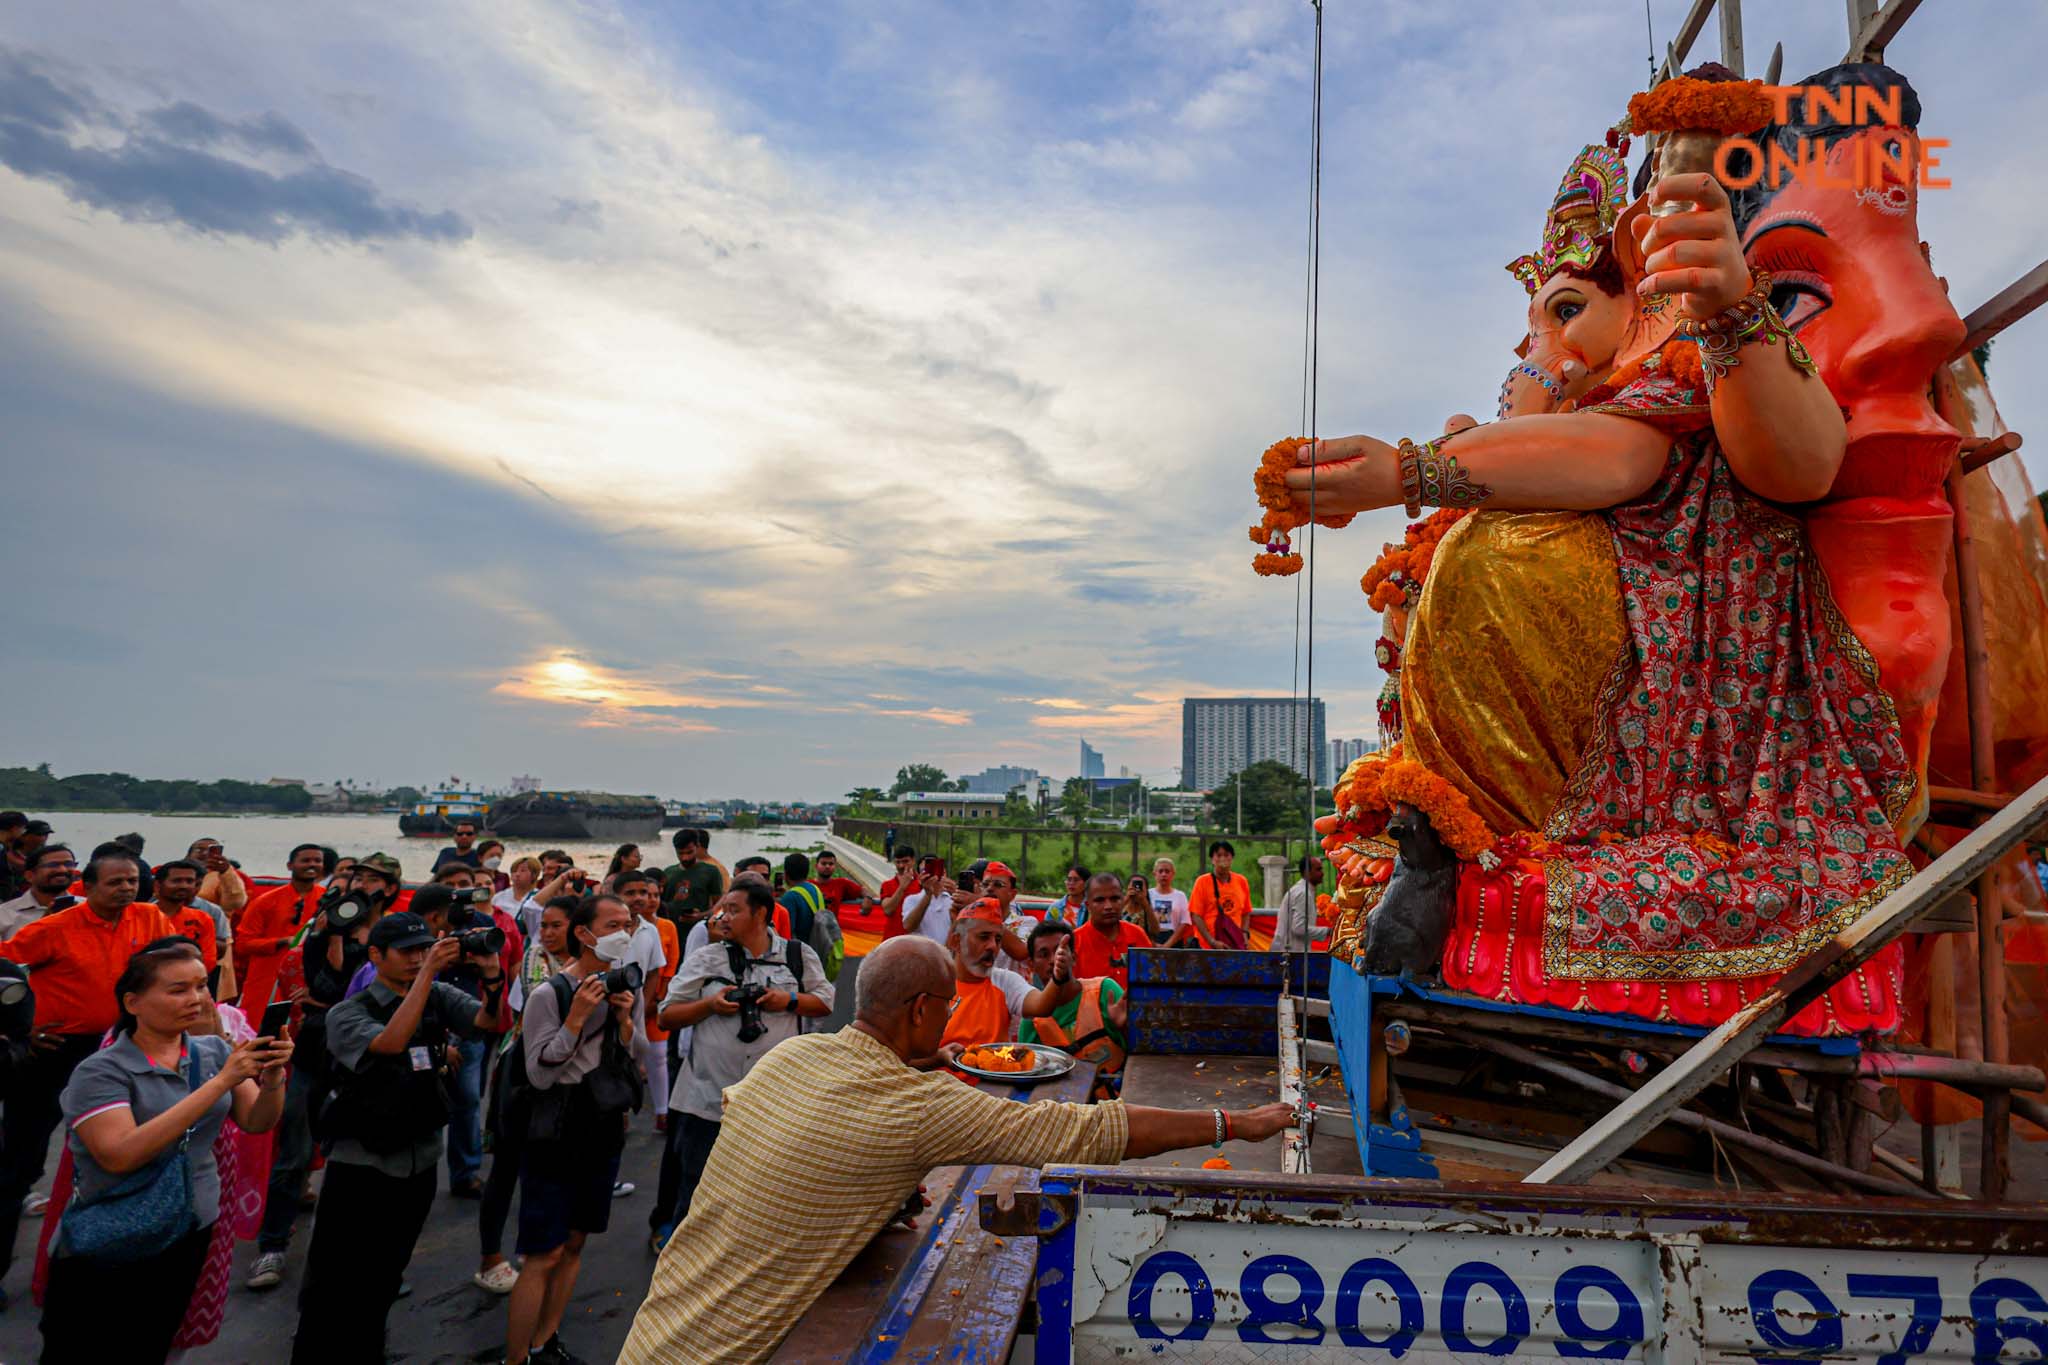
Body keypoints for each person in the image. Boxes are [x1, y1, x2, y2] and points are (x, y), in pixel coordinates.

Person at [620, 935, 1295, 1362]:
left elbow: (788, 1138)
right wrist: (1237, 1123)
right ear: (919, 1010)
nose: (948, 1017)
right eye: (943, 1006)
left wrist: (866, 1183)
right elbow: (1092, 1131)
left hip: (652, 1337)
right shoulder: (922, 1107)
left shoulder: (788, 1057)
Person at [41, 937, 293, 1361]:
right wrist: (221, 1082)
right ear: (133, 1002)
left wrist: (271, 1078)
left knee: (152, 1341)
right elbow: (118, 1153)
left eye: (200, 986)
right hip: (115, 1234)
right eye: (177, 990)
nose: (195, 999)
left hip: (190, 1226)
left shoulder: (213, 1051)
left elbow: (257, 1121)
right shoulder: (101, 1070)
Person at [290, 912, 509, 1364]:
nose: (416, 959)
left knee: (386, 1275)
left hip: (420, 1156)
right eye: (407, 951)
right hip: (362, 1163)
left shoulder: (437, 995)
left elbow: (491, 1024)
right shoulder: (348, 1013)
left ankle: (368, 1351)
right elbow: (391, 1042)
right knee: (333, 1282)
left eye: (423, 949)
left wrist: (492, 977)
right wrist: (429, 973)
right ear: (375, 956)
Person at [0, 851, 178, 1287]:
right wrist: (22, 1031)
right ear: (88, 886)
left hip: (123, 1049)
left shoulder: (151, 921)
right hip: (56, 1052)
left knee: (128, 1156)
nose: (125, 888)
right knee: (19, 1162)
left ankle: (112, 1260)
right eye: (114, 881)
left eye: (132, 881)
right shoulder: (52, 929)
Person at [501, 894, 644, 1365]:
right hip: (557, 1131)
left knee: (577, 1242)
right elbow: (540, 1073)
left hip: (601, 1128)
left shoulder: (624, 985)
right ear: (583, 935)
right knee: (543, 1252)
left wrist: (623, 1020)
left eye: (628, 923)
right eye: (613, 923)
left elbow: (632, 1056)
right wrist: (577, 1019)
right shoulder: (551, 994)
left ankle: (547, 1339)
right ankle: (516, 1356)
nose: (624, 931)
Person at [652, 881, 832, 1248]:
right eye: (723, 909)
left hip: (772, 1106)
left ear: (761, 914)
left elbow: (825, 1001)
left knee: (767, 1197)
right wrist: (710, 1006)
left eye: (734, 909)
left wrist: (788, 1000)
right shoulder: (706, 957)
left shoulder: (796, 956)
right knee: (697, 1199)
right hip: (707, 1103)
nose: (723, 917)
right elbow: (666, 1016)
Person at [475, 898, 579, 1296]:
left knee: (551, 1166)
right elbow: (545, 1006)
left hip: (566, 1078)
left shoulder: (594, 964)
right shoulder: (538, 956)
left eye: (558, 925)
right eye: (546, 925)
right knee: (506, 1168)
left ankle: (538, 1249)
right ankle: (489, 1257)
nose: (548, 933)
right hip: (521, 1072)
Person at [938, 899, 1078, 1055]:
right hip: (938, 1078)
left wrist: (1058, 976)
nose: (992, 946)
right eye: (984, 937)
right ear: (956, 941)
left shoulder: (1004, 981)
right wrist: (939, 1058)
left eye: (998, 939)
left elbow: (1041, 1006)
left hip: (990, 1077)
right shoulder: (933, 982)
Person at [1019, 921, 1127, 1098]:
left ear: (1074, 957)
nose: (1054, 960)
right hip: (1066, 1111)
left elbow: (1141, 1053)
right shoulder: (1032, 1019)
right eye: (1044, 954)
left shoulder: (1105, 991)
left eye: (1060, 951)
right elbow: (1027, 1079)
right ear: (1032, 965)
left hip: (1118, 1102)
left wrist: (1124, 1028)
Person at [235, 843, 327, 1013]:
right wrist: (282, 941)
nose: (312, 864)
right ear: (290, 866)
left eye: (317, 861)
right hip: (267, 979)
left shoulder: (327, 899)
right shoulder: (265, 901)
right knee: (258, 1030)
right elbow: (243, 944)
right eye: (305, 860)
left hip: (307, 981)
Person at [616, 870, 672, 1125]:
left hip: (636, 1008)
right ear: (616, 895)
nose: (639, 898)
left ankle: (625, 1110)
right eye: (631, 893)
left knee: (633, 1059)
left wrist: (645, 1003)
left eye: (643, 893)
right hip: (605, 1005)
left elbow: (653, 972)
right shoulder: (604, 929)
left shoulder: (651, 930)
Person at [1071, 873, 1154, 991]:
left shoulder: (1137, 934)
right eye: (1100, 900)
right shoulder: (1075, 942)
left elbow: (1152, 981)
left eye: (1115, 899)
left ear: (1123, 899)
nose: (1108, 906)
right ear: (1088, 905)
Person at [151, 857, 222, 975]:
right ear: (158, 885)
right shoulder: (139, 915)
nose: (184, 886)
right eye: (176, 881)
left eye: (189, 881)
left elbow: (209, 960)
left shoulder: (202, 918)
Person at [1182, 841, 1252, 949]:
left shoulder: (1241, 881)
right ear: (1212, 860)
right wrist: (1212, 941)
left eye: (1226, 855)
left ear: (1232, 858)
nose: (1222, 859)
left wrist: (1245, 933)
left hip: (1235, 942)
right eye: (1218, 855)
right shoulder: (1202, 882)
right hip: (1207, 945)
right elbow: (1196, 915)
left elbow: (1246, 912)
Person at [0, 842, 77, 939]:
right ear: (30, 876)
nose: (63, 870)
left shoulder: (89, 909)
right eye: (53, 865)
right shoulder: (4, 914)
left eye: (68, 864)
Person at [659, 828, 723, 931]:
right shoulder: (668, 873)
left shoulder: (711, 872)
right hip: (671, 930)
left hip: (699, 931)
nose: (685, 858)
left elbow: (720, 907)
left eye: (689, 852)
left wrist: (701, 916)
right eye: (680, 853)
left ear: (697, 846)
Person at [186, 837, 252, 926]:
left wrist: (225, 872)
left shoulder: (225, 875)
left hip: (215, 928)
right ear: (189, 855)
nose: (205, 853)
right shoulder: (174, 872)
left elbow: (236, 903)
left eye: (211, 850)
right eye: (199, 850)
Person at [1271, 855, 1325, 956]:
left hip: (1292, 951)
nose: (1322, 873)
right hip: (1289, 953)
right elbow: (1299, 928)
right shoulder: (1303, 893)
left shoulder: (1304, 891)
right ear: (1307, 872)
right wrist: (1328, 932)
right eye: (1318, 869)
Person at [1148, 857, 1190, 944]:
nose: (1164, 874)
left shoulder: (1180, 896)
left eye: (1167, 871)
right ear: (1154, 874)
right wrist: (1152, 944)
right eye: (1160, 871)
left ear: (1173, 874)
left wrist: (1168, 944)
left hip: (1174, 939)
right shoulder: (1148, 894)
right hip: (1151, 939)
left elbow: (1185, 922)